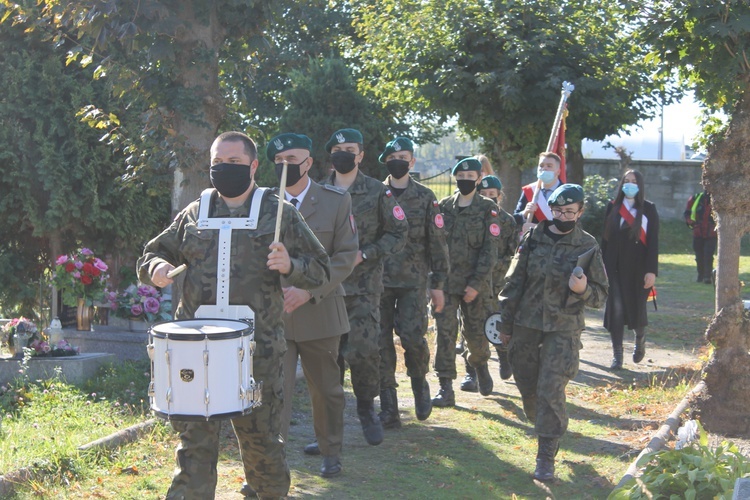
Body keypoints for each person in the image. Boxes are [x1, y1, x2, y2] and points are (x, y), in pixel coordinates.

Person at [137, 131, 331, 499]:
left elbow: (321, 269)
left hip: (258, 353)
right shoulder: (195, 213)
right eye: (218, 164)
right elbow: (149, 256)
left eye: (235, 163)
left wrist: (291, 265)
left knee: (262, 448)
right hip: (194, 353)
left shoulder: (279, 214)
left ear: (254, 166)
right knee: (193, 448)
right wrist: (158, 267)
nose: (225, 170)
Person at [498, 183, 608, 482]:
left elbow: (601, 295)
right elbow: (514, 281)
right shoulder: (533, 237)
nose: (562, 216)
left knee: (550, 388)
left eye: (569, 211)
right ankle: (544, 422)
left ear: (580, 212)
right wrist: (505, 324)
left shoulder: (587, 245)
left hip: (564, 328)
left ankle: (545, 455)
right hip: (526, 324)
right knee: (527, 384)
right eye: (558, 210)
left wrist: (583, 288)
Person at [267, 133, 358, 480]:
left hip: (320, 312)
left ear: (308, 162)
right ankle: (268, 463)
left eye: (292, 159)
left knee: (327, 390)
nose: (285, 167)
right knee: (274, 391)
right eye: (278, 161)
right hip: (275, 314)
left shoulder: (335, 201)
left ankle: (331, 450)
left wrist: (308, 291)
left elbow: (346, 256)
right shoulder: (264, 203)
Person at [320, 128, 409, 449]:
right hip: (326, 289)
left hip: (364, 288)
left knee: (363, 352)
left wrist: (366, 253)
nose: (344, 153)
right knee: (327, 358)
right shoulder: (318, 192)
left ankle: (366, 409)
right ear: (331, 154)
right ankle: (328, 428)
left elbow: (399, 232)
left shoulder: (377, 192)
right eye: (338, 148)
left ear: (360, 156)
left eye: (350, 149)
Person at [377, 137, 449, 429]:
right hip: (379, 280)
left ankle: (419, 383)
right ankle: (389, 405)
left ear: (412, 161)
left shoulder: (425, 196)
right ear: (386, 161)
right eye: (393, 156)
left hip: (413, 281)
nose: (398, 161)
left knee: (412, 338)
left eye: (403, 156)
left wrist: (439, 283)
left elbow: (438, 242)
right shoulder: (375, 194)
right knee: (380, 343)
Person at [432, 157, 500, 407]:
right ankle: (445, 387)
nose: (465, 181)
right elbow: (436, 246)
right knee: (445, 334)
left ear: (479, 179)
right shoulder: (444, 207)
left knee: (475, 336)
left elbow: (490, 251)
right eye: (461, 177)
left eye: (471, 177)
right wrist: (435, 282)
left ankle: (479, 364)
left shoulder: (487, 208)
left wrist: (476, 284)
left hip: (475, 286)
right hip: (447, 284)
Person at [602, 169, 659, 370]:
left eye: (634, 181)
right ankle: (617, 355)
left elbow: (653, 242)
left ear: (640, 185)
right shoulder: (612, 207)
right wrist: (601, 267)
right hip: (614, 266)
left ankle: (640, 339)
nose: (630, 184)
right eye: (626, 181)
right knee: (616, 309)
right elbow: (605, 240)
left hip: (639, 268)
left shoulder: (649, 209)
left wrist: (651, 271)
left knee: (637, 308)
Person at [477, 174, 517, 381]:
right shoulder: (472, 218)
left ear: (499, 196)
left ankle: (503, 356)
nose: (487, 198)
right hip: (475, 283)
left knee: (497, 323)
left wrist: (497, 268)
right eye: (482, 194)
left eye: (491, 195)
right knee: (473, 328)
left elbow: (513, 255)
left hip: (498, 283)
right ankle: (475, 371)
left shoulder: (507, 221)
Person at [513, 152, 563, 234]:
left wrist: (538, 228)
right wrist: (524, 213)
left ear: (558, 171)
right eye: (541, 165)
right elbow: (514, 220)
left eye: (549, 166)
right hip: (533, 244)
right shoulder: (529, 190)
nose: (544, 168)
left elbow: (569, 224)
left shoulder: (565, 193)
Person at [683, 188, 716, 284]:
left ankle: (707, 277)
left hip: (711, 233)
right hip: (698, 232)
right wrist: (691, 222)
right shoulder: (695, 198)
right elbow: (687, 213)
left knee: (708, 254)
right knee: (699, 255)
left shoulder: (718, 200)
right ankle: (700, 275)